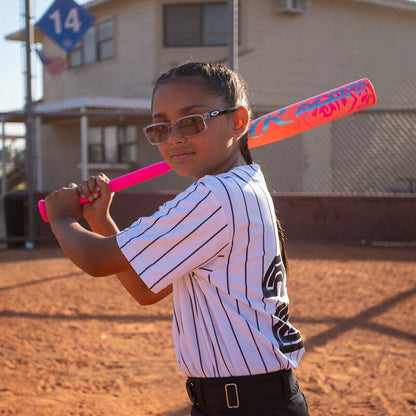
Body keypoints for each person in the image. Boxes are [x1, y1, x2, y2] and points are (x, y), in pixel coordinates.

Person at [44, 62, 309, 416]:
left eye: (191, 121)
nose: (175, 138)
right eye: (160, 128)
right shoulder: (241, 186)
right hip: (247, 400)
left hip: (247, 406)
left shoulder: (214, 196)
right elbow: (146, 290)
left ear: (239, 121)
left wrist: (61, 216)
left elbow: (96, 260)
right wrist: (100, 220)